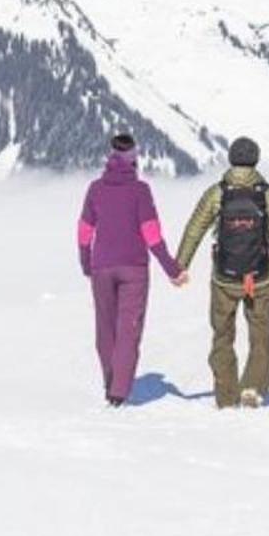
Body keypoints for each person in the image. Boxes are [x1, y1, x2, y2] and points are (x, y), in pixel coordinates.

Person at [175, 137, 269, 409]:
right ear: (256, 159)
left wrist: (179, 265)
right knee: (262, 335)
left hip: (223, 279)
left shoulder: (216, 194)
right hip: (260, 279)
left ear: (231, 159)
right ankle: (252, 390)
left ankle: (226, 396)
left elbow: (194, 229)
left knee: (222, 335)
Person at [77, 131, 186, 407]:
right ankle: (119, 391)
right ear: (134, 160)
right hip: (134, 269)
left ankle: (110, 379)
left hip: (101, 266)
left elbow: (84, 230)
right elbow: (152, 235)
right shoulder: (141, 191)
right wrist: (172, 269)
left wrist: (85, 262)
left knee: (105, 327)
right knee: (129, 329)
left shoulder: (95, 189)